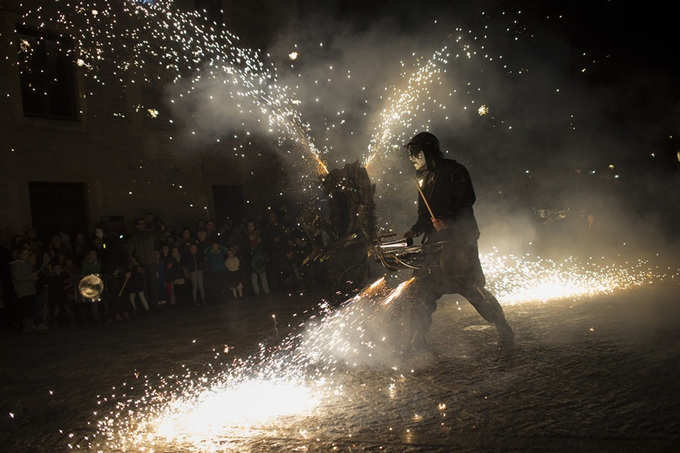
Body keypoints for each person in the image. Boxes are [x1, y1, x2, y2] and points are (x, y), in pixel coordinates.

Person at [403, 131, 514, 352]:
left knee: (472, 289)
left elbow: (467, 201)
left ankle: (503, 329)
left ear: (428, 152)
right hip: (435, 245)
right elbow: (425, 216)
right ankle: (418, 339)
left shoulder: (455, 171)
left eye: (416, 154)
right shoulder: (423, 180)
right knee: (421, 291)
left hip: (459, 242)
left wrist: (449, 223)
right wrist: (413, 231)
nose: (412, 159)